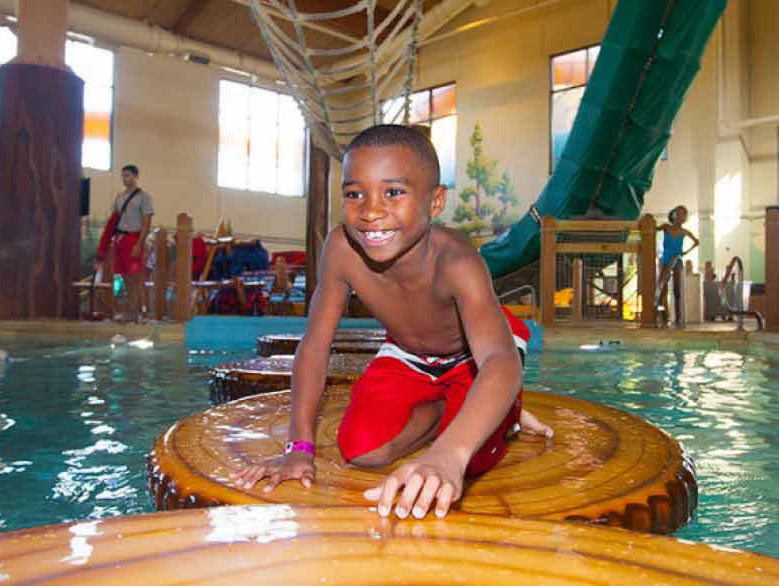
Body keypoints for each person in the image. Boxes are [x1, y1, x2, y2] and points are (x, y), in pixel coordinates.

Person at [230, 125, 551, 520]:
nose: (370, 211)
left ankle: (503, 413)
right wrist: (299, 449)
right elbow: (314, 345)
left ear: (435, 202)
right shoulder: (341, 251)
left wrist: (449, 454)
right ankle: (440, 408)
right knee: (363, 451)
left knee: (474, 457)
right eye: (354, 194)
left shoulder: (458, 261)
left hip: (475, 350)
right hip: (408, 351)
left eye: (393, 192)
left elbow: (500, 361)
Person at [96, 164, 154, 323]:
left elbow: (147, 222)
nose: (125, 178)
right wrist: (105, 243)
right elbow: (113, 220)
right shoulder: (119, 197)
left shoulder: (144, 197)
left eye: (128, 175)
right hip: (120, 240)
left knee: (138, 277)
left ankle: (142, 312)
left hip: (134, 239)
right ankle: (131, 311)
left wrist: (139, 244)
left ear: (136, 177)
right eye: (123, 176)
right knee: (126, 278)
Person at [656, 205, 699, 326]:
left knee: (677, 291)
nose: (680, 216)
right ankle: (664, 317)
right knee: (662, 289)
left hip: (677, 260)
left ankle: (679, 319)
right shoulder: (665, 227)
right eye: (678, 213)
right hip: (665, 260)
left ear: (685, 218)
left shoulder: (684, 232)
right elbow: (653, 229)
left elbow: (696, 242)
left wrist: (685, 252)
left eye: (683, 214)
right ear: (673, 214)